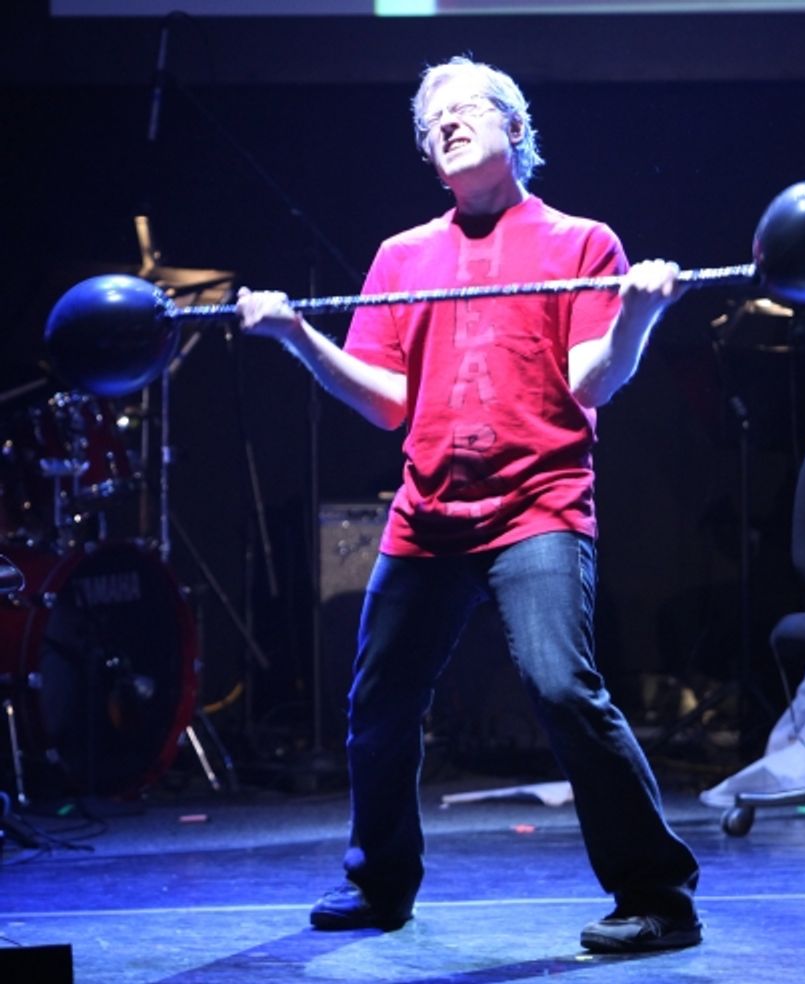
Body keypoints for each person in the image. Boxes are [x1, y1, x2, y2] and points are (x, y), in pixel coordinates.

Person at [235, 57, 701, 953]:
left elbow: (591, 382)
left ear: (516, 130)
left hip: (537, 504)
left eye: (465, 110)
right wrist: (296, 335)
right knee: (378, 701)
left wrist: (639, 315)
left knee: (562, 686)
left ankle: (659, 896)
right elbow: (386, 399)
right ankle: (380, 884)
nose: (446, 124)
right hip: (428, 513)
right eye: (431, 120)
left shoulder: (580, 242)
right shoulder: (402, 257)